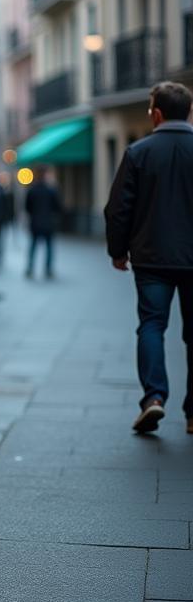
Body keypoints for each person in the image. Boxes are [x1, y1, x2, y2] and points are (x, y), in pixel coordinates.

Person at [105, 81, 193, 435]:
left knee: (152, 326)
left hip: (152, 257)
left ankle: (154, 398)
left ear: (156, 114)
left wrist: (117, 250)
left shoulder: (138, 153)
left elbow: (117, 209)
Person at [24, 165, 61, 279]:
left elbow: (27, 207)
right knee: (48, 247)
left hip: (35, 222)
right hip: (48, 222)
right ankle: (48, 269)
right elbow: (58, 206)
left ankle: (30, 268)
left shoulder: (32, 190)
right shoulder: (51, 190)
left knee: (33, 246)